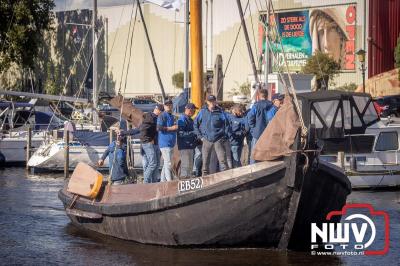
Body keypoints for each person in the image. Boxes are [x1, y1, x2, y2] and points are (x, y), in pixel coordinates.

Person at [194, 94, 231, 176]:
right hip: (206, 140)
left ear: (215, 101)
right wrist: (200, 137)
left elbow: (227, 125)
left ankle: (226, 179)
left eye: (213, 101)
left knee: (223, 161)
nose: (212, 103)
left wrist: (224, 137)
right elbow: (195, 124)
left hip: (218, 140)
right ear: (207, 102)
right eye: (210, 101)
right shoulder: (202, 112)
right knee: (205, 163)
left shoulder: (221, 112)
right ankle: (205, 181)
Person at [248, 88, 274, 164]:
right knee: (267, 154)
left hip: (257, 133)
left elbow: (250, 117)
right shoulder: (272, 105)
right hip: (269, 133)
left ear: (259, 96)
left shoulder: (256, 106)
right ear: (267, 95)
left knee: (254, 153)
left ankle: (252, 170)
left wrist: (253, 128)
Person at [140, 104, 163, 183]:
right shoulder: (150, 117)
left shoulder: (158, 118)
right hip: (149, 143)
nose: (159, 112)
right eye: (159, 110)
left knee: (156, 165)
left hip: (156, 143)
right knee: (151, 164)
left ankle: (154, 182)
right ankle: (146, 181)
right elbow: (141, 129)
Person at [157, 100, 178, 182]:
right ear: (164, 106)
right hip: (165, 143)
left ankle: (162, 182)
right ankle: (169, 182)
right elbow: (159, 128)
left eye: (170, 105)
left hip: (171, 143)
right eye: (166, 105)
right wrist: (171, 128)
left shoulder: (171, 116)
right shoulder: (162, 115)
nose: (168, 106)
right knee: (168, 164)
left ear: (172, 106)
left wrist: (175, 128)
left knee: (166, 164)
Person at [177, 103, 198, 178]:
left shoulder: (190, 119)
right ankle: (183, 182)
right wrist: (193, 133)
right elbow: (181, 133)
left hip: (190, 146)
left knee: (190, 166)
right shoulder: (182, 118)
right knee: (185, 166)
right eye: (194, 110)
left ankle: (188, 182)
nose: (195, 111)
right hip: (184, 146)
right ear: (189, 110)